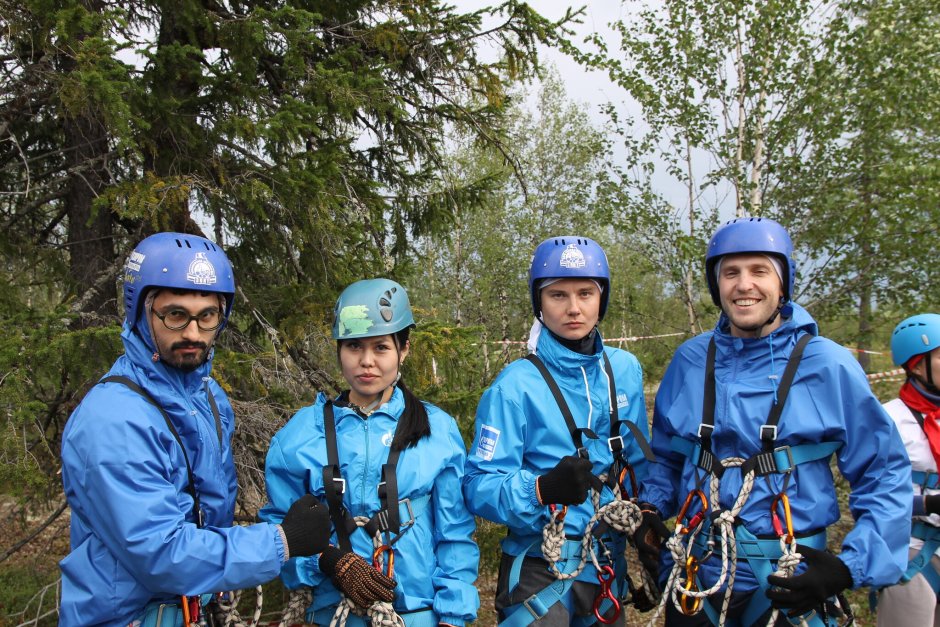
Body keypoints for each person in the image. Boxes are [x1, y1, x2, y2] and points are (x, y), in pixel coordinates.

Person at [636, 217, 911, 626]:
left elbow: (884, 472)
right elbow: (668, 457)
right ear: (717, 286)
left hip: (791, 579)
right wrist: (649, 509)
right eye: (731, 273)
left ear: (782, 284)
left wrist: (849, 566)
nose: (744, 284)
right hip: (699, 575)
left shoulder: (827, 365)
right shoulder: (691, 361)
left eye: (759, 271)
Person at [59, 232, 331, 627]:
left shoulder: (207, 398)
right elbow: (161, 553)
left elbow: (207, 515)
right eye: (175, 314)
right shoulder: (113, 420)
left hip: (192, 611)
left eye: (207, 316)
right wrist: (281, 541)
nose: (192, 333)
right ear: (140, 312)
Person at [259, 278, 479, 627]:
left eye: (380, 348)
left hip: (416, 615)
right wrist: (323, 561)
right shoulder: (301, 435)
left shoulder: (436, 432)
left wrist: (453, 615)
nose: (366, 362)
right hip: (332, 615)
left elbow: (454, 533)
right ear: (339, 350)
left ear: (404, 348)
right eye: (353, 347)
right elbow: (278, 533)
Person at [463, 235, 653, 626]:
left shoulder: (625, 371)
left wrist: (647, 516)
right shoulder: (514, 387)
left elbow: (637, 465)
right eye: (557, 295)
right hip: (539, 566)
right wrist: (540, 489)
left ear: (602, 298)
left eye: (585, 293)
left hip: (605, 565)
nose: (573, 308)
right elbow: (477, 484)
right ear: (539, 304)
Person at [876, 313, 940, 627]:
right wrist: (926, 504)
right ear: (916, 365)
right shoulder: (888, 419)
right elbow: (872, 495)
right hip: (912, 552)